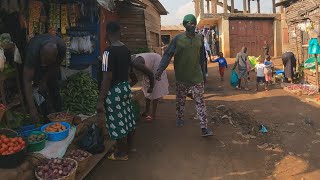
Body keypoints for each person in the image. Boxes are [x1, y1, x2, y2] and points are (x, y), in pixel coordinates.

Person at [155, 14, 213, 137]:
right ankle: (180, 117)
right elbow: (167, 55)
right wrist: (160, 69)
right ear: (184, 25)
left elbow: (201, 58)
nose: (192, 25)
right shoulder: (178, 39)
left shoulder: (200, 38)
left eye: (193, 23)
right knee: (180, 100)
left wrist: (203, 74)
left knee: (200, 101)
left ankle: (204, 128)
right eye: (189, 23)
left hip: (196, 76)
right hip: (182, 76)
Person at [96, 22, 137, 161]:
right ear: (119, 33)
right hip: (125, 87)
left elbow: (107, 77)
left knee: (116, 121)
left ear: (107, 34)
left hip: (114, 91)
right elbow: (127, 70)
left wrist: (101, 100)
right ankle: (130, 147)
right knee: (127, 117)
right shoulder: (126, 49)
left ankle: (121, 153)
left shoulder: (107, 52)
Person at [23, 33, 66, 123]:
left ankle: (59, 115)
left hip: (53, 68)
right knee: (39, 91)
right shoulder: (32, 52)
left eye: (47, 62)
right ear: (40, 54)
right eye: (44, 61)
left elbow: (56, 66)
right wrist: (32, 108)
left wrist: (45, 80)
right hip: (36, 67)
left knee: (54, 87)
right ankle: (43, 115)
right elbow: (27, 81)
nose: (44, 64)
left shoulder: (61, 47)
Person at [130, 53, 169, 121]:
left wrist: (151, 87)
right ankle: (147, 111)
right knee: (145, 87)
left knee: (156, 89)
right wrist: (127, 88)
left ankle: (153, 115)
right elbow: (134, 80)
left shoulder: (136, 63)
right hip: (148, 65)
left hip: (156, 62)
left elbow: (150, 74)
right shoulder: (128, 66)